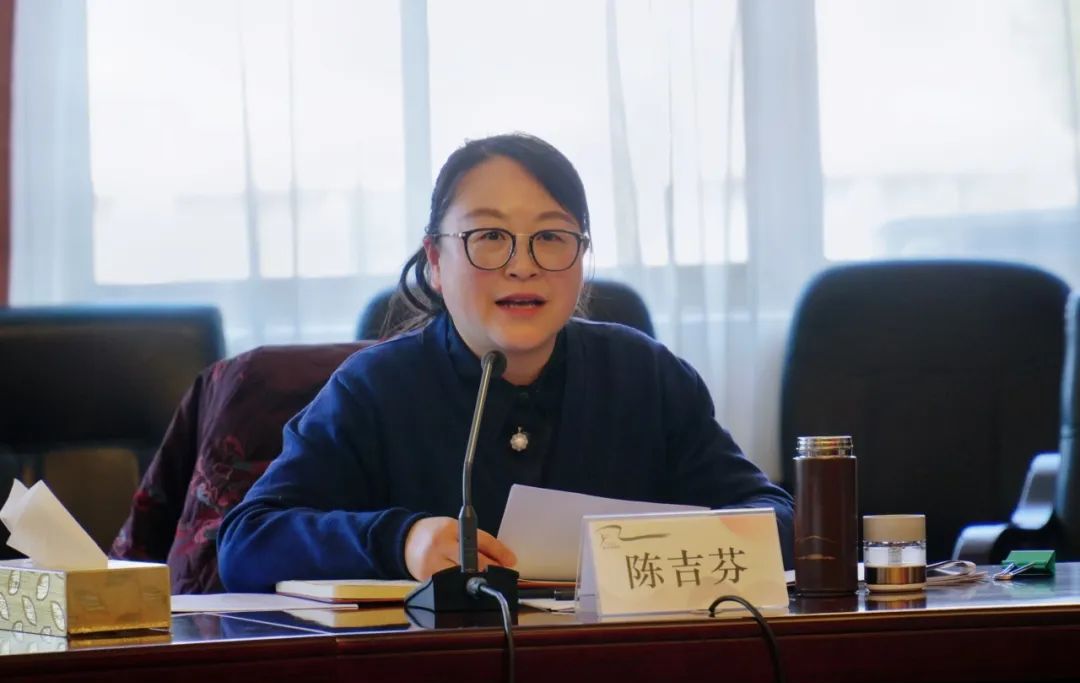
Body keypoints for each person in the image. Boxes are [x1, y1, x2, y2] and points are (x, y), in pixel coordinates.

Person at [217, 133, 794, 592]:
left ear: (582, 258)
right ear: (435, 261)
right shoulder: (375, 389)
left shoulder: (644, 376)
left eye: (552, 236)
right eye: (490, 235)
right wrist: (401, 541)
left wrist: (668, 546)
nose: (523, 264)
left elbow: (779, 520)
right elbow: (246, 542)